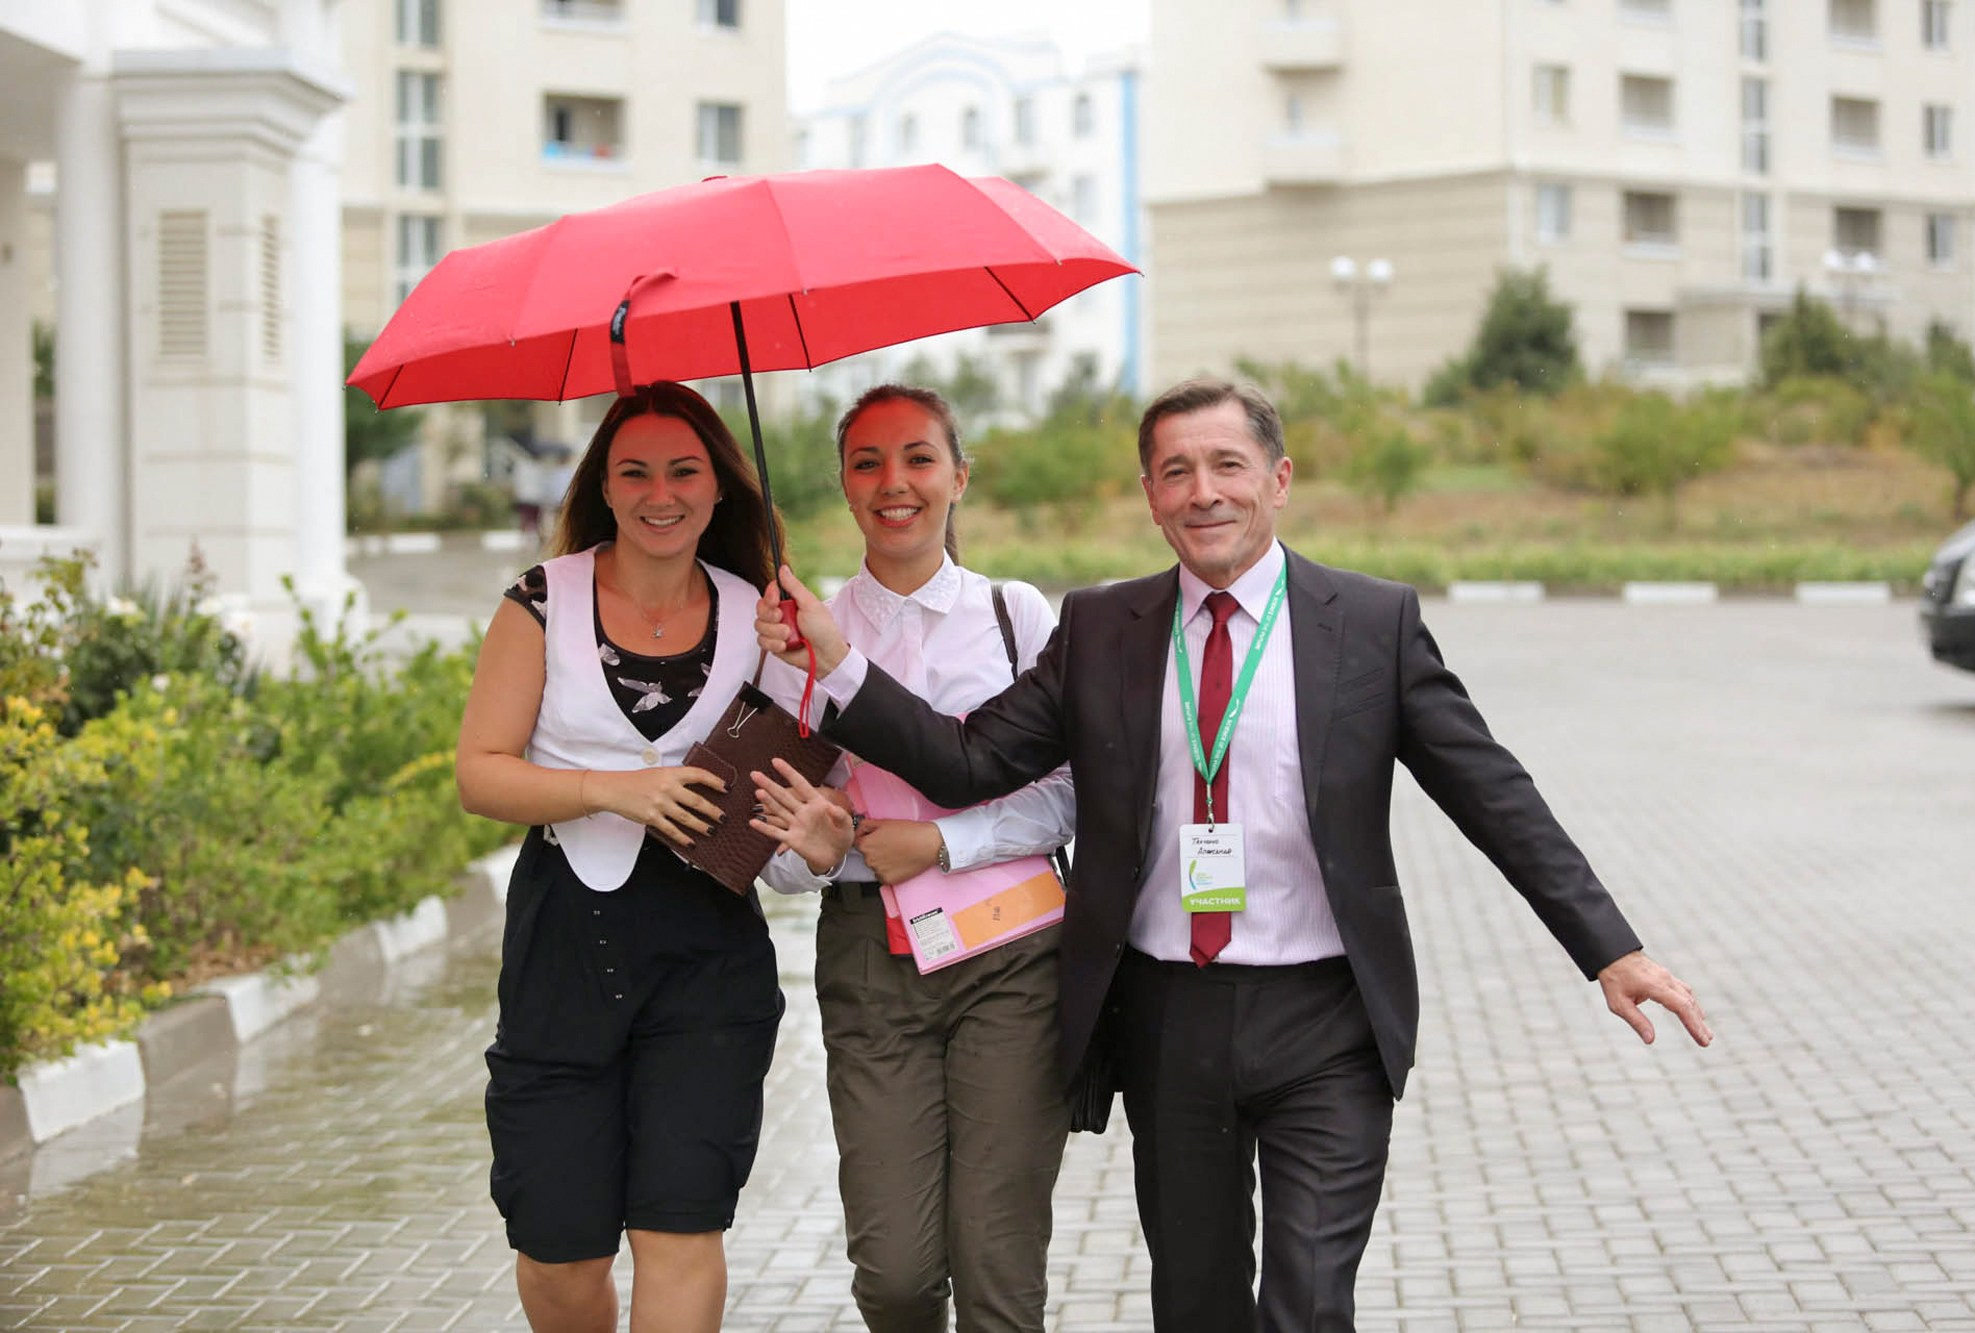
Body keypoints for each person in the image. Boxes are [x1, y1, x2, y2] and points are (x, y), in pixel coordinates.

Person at [755, 378, 1714, 1333]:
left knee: (1305, 1303)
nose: (1202, 491)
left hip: (1328, 1020)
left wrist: (1608, 947)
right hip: (1171, 1018)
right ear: (1150, 495)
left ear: (1279, 479)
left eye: (1227, 465)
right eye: (1175, 471)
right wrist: (839, 661)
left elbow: (1491, 790)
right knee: (1198, 1305)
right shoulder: (1101, 629)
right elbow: (965, 761)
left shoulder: (1369, 625)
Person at [456, 380, 855, 1333]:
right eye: (634, 471)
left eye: (685, 470)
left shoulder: (762, 620)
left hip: (707, 961)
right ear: (604, 485)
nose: (660, 492)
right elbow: (480, 774)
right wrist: (607, 787)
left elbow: (799, 809)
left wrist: (825, 831)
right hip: (564, 951)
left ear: (720, 489)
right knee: (559, 1250)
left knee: (681, 1231)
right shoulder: (539, 602)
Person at [755, 385, 1076, 1332]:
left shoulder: (1016, 617)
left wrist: (943, 841)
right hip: (869, 961)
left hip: (1013, 958)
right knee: (894, 1274)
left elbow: (1067, 796)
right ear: (844, 488)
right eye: (867, 462)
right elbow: (773, 851)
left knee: (997, 1268)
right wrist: (819, 855)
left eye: (919, 458)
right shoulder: (789, 643)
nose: (894, 482)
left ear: (959, 476)